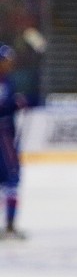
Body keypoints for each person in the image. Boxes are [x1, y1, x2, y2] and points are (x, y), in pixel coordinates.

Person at [0, 45, 27, 240]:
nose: (9, 64)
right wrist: (14, 104)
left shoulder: (7, 80)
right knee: (11, 178)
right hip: (3, 135)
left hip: (6, 134)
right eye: (6, 61)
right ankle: (9, 226)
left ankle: (9, 224)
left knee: (10, 180)